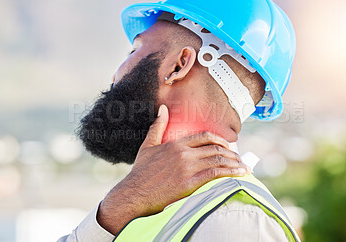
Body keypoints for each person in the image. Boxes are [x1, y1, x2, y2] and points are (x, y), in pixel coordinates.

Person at [59, 0, 299, 241]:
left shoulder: (234, 221)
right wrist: (120, 206)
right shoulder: (140, 203)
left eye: (134, 50)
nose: (115, 75)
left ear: (178, 65)